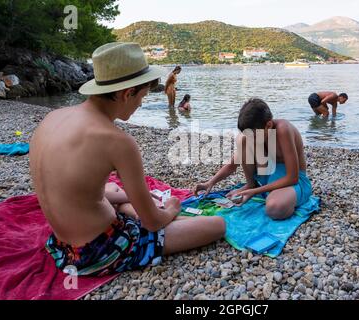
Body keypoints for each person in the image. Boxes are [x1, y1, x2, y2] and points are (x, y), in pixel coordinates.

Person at [29, 42, 225, 276]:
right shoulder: (116, 141)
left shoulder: (52, 117)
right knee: (216, 225)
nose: (141, 103)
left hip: (61, 244)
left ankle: (137, 206)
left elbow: (78, 184)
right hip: (98, 251)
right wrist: (172, 208)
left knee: (112, 188)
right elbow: (153, 223)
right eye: (141, 96)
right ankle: (158, 215)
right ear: (126, 93)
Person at [194, 98, 313, 221]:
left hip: (295, 181)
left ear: (269, 125)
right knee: (242, 139)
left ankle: (266, 192)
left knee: (274, 208)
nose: (253, 140)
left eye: (255, 135)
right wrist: (210, 182)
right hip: (269, 175)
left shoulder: (283, 130)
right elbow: (232, 165)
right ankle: (251, 184)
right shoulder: (255, 135)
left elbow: (292, 178)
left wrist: (255, 192)